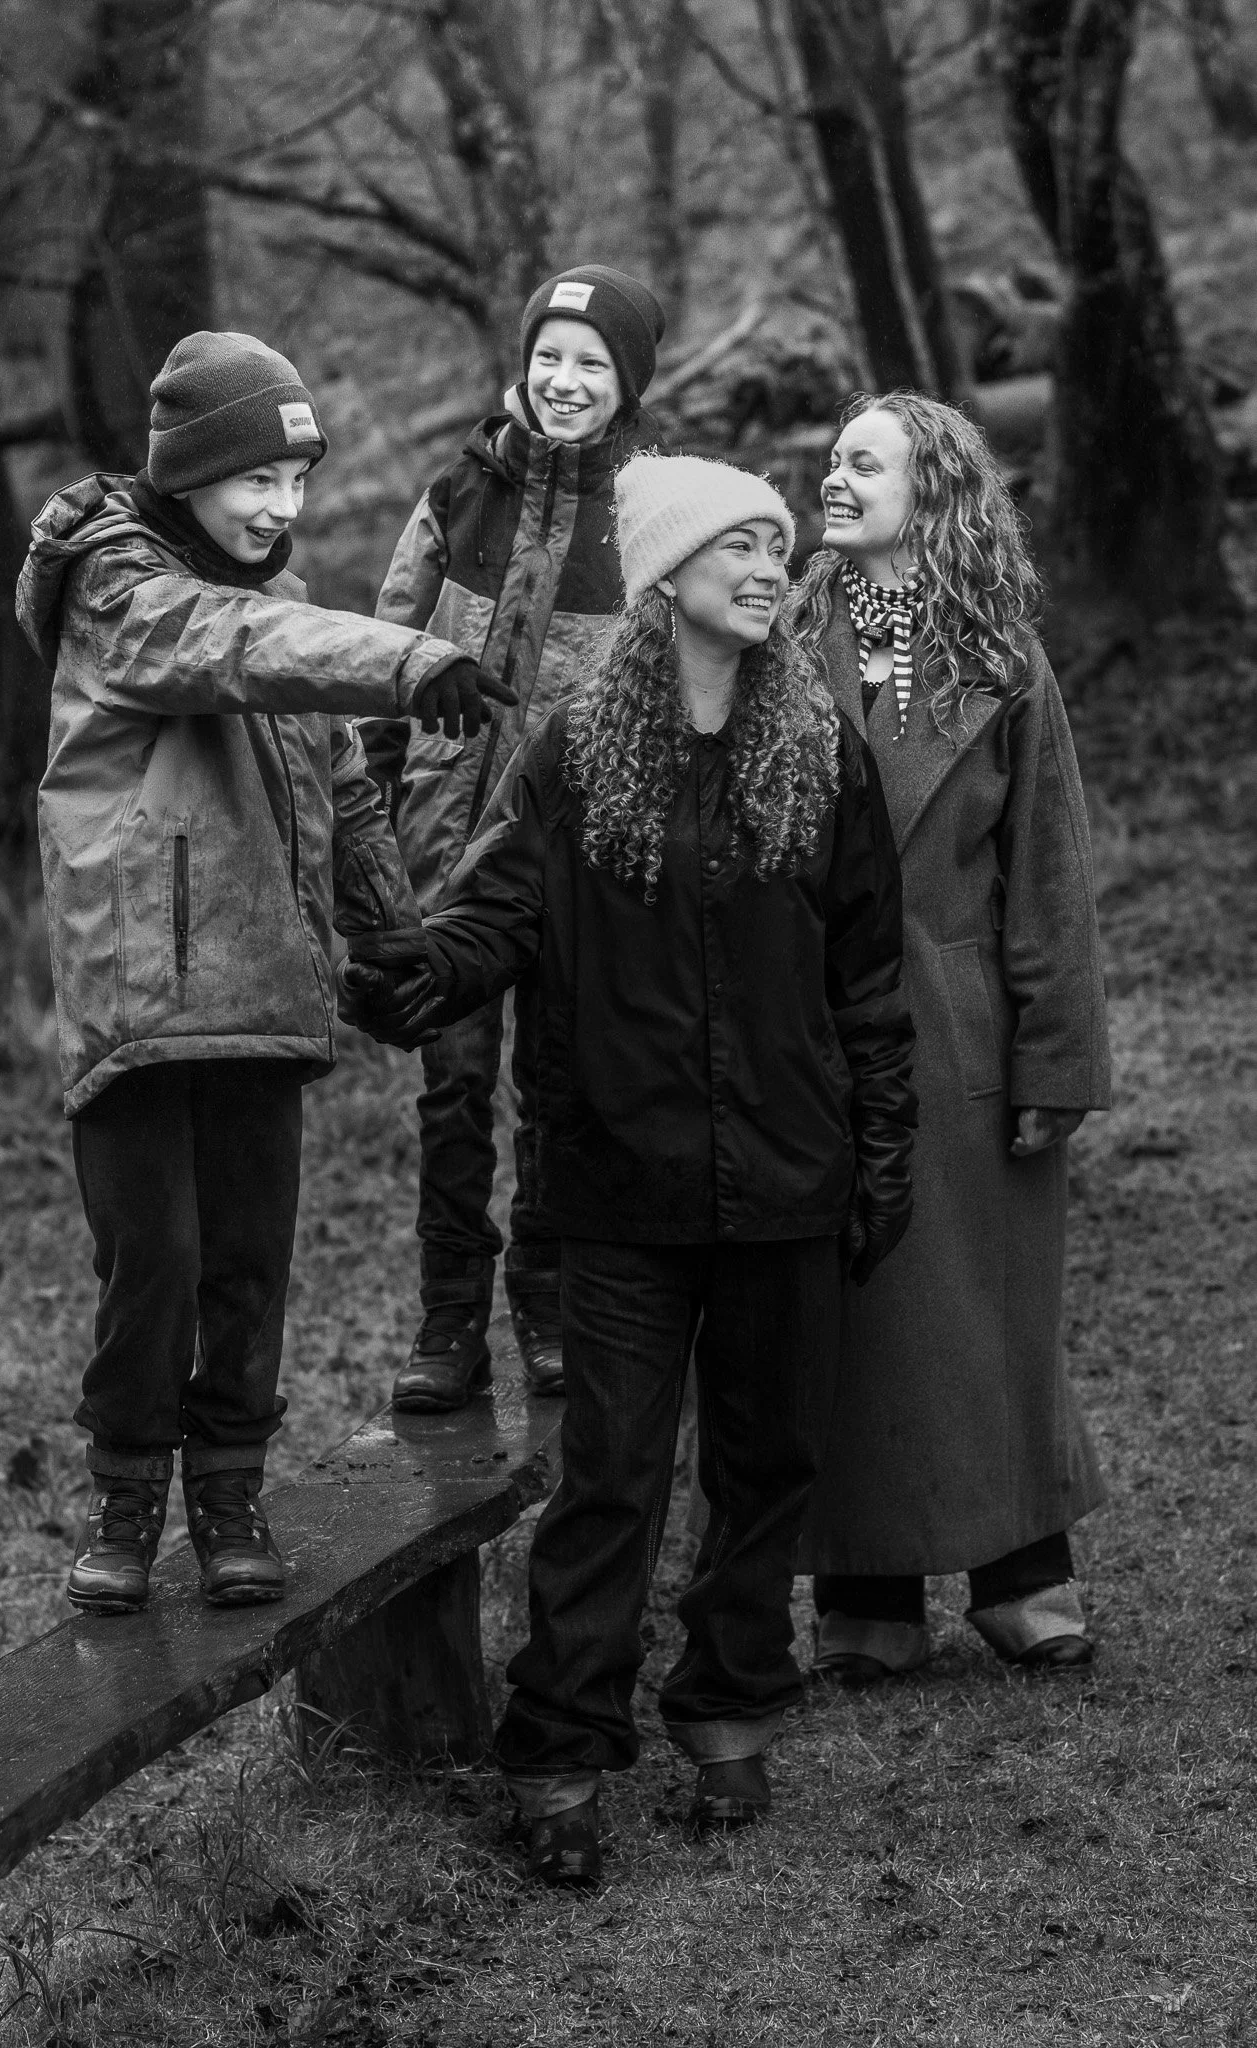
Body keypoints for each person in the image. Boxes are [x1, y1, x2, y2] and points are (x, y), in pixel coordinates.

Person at [348, 453, 917, 1886]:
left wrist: (880, 1148)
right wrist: (414, 973)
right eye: (738, 547)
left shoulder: (821, 750)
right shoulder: (576, 753)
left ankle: (729, 1704)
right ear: (664, 579)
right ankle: (559, 1748)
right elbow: (495, 915)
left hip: (786, 1172)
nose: (769, 568)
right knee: (609, 1475)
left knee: (766, 1462)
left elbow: (866, 973)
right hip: (617, 1183)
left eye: (776, 547)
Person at [16, 329, 511, 1617]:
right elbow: (219, 643)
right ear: (189, 471)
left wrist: (390, 936)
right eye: (258, 480)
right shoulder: (116, 587)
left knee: (248, 1261)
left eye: (298, 482)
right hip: (142, 998)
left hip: (266, 990)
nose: (282, 507)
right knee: (156, 1264)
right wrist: (405, 659)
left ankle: (230, 1493)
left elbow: (342, 783)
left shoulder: (278, 617)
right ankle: (127, 1497)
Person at [789, 390, 1111, 1679]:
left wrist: (1055, 1060)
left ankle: (1023, 1573)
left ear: (932, 491)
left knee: (988, 1312)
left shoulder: (1001, 660)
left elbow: (1050, 873)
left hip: (961, 1031)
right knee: (851, 1314)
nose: (834, 477)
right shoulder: (779, 638)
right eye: (831, 460)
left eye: (863, 462)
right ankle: (865, 1590)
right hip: (813, 1035)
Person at [358, 265, 665, 1413]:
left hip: (581, 855)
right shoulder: (459, 490)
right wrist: (372, 826)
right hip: (446, 854)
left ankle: (545, 1296)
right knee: (452, 1090)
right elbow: (385, 654)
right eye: (549, 356)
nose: (565, 379)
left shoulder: (651, 509)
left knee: (560, 1087)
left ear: (628, 381)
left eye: (591, 363)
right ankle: (448, 1317)